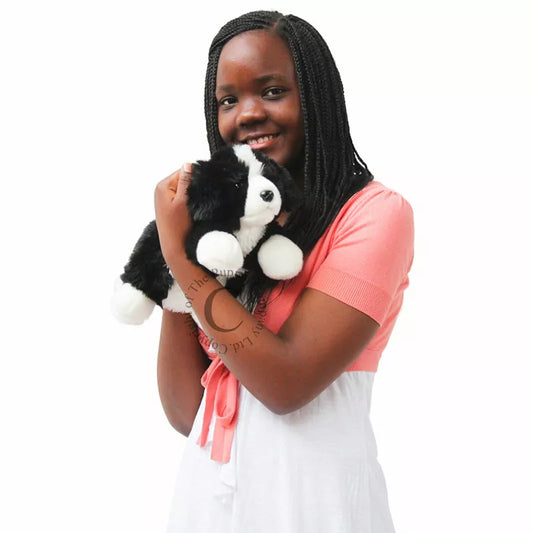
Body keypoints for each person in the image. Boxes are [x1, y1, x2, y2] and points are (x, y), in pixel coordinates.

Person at [155, 10, 414, 533]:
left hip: (315, 507)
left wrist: (180, 258)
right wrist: (186, 247)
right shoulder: (232, 236)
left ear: (317, 99)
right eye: (227, 100)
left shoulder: (375, 215)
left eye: (271, 91)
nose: (246, 114)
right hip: (207, 505)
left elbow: (288, 383)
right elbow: (189, 414)